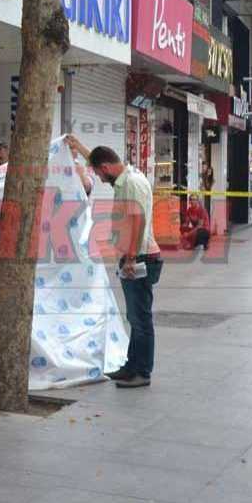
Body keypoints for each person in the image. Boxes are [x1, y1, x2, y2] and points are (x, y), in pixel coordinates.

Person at [67, 136, 163, 389]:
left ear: (106, 168)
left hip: (139, 258)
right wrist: (79, 147)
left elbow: (138, 221)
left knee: (141, 319)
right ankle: (131, 367)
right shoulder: (124, 179)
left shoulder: (131, 183)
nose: (99, 179)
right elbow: (98, 159)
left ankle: (142, 372)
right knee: (134, 317)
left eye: (99, 174)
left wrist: (130, 257)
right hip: (133, 257)